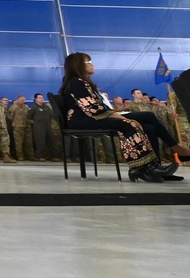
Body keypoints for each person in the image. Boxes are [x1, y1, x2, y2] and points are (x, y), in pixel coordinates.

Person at [58, 53, 183, 182]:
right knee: (130, 124)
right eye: (88, 62)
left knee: (149, 126)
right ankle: (145, 167)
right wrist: (123, 118)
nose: (92, 64)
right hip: (83, 120)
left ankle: (154, 168)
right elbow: (93, 109)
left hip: (92, 117)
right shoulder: (76, 83)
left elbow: (99, 109)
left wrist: (119, 116)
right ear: (78, 65)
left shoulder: (83, 83)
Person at [28, 93, 55, 161]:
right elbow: (29, 117)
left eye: (42, 98)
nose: (42, 99)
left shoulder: (46, 107)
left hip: (48, 126)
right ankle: (40, 156)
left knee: (51, 141)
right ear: (36, 99)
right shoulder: (33, 107)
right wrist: (36, 123)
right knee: (40, 142)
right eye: (39, 98)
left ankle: (52, 156)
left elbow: (51, 116)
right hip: (39, 127)